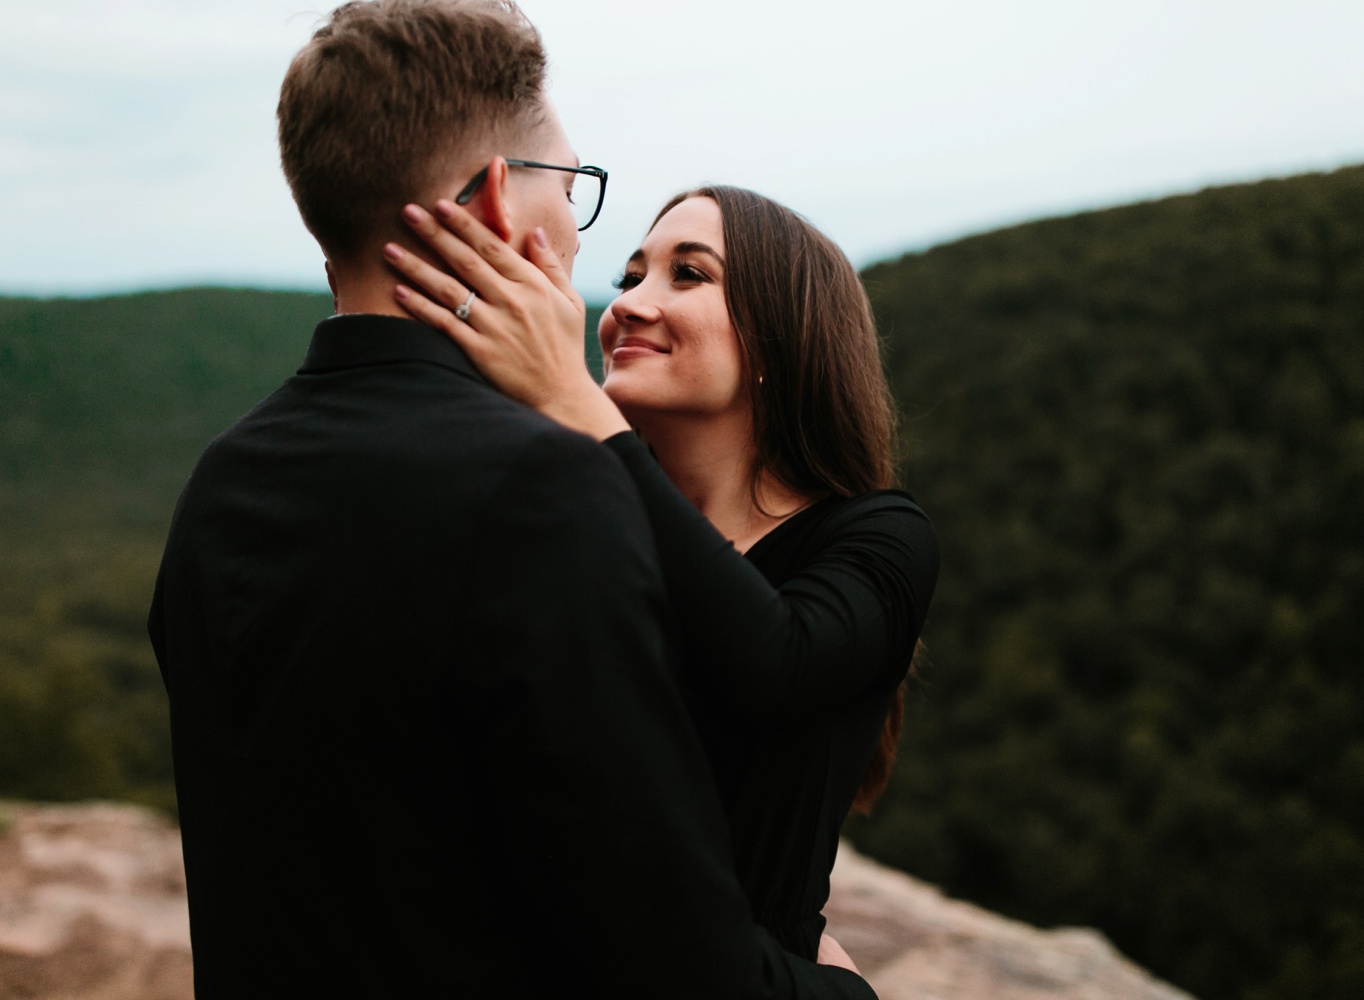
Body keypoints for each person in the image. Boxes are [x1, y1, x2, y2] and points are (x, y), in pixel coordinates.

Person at [147, 1, 881, 997]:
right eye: (571, 191)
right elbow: (675, 960)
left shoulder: (223, 482)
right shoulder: (543, 490)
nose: (584, 251)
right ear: (499, 200)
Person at [384, 184, 940, 963]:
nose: (627, 308)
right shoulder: (576, 520)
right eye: (629, 278)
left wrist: (573, 399)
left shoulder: (877, 536)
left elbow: (773, 662)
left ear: (781, 338)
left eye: (688, 275)